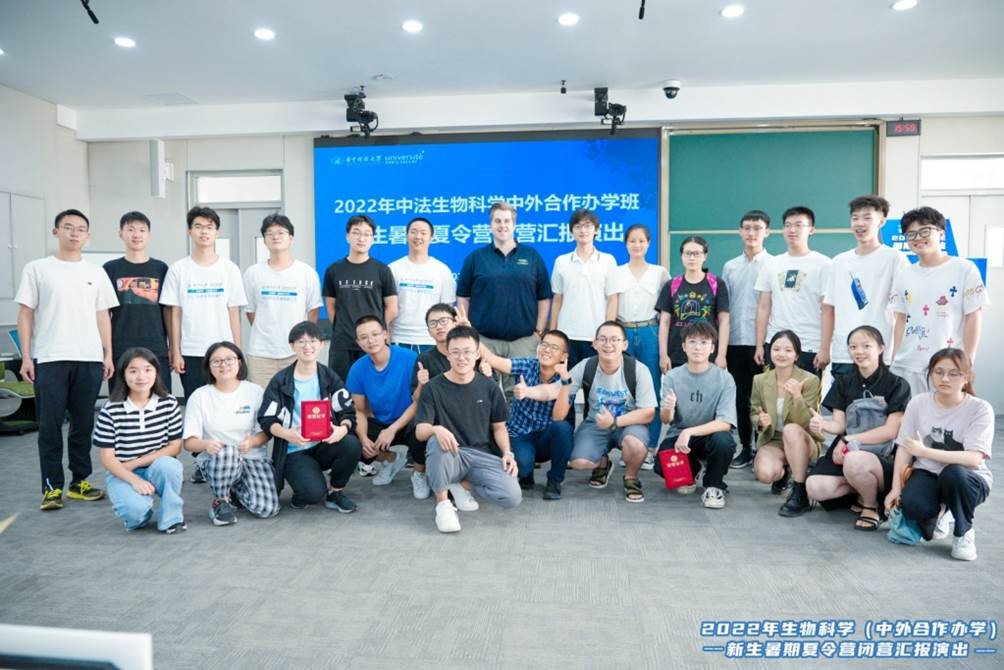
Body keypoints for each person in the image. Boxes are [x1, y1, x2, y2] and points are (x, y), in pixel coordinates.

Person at [16, 208, 119, 510]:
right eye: (68, 227)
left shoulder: (96, 272)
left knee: (83, 424)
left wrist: (108, 353)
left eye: (80, 229)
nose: (74, 233)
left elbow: (103, 315)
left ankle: (79, 482)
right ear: (56, 232)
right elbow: (25, 313)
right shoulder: (37, 269)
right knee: (49, 426)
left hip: (88, 358)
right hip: (50, 357)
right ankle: (51, 488)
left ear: (88, 236)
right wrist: (26, 356)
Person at [885, 349, 993, 561]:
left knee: (953, 474)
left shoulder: (980, 409)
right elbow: (905, 448)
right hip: (927, 473)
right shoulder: (918, 403)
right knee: (913, 505)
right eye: (938, 372)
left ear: (966, 377)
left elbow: (973, 458)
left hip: (967, 478)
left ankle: (963, 532)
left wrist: (924, 451)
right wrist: (896, 489)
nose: (944, 379)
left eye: (954, 373)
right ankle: (942, 511)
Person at [415, 325, 521, 533]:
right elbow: (420, 431)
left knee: (511, 496)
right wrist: (437, 429)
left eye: (467, 352)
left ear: (477, 354)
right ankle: (443, 505)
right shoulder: (433, 388)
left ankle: (461, 484)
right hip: (451, 453)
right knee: (436, 440)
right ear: (448, 355)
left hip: (481, 455)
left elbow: (499, 427)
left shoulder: (489, 386)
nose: (461, 358)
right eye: (455, 352)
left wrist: (508, 453)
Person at [806, 326, 911, 530]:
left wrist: (849, 440)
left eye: (866, 346)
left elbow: (890, 431)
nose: (859, 351)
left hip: (884, 453)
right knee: (815, 487)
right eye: (853, 347)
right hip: (850, 447)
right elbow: (840, 425)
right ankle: (862, 488)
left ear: (881, 348)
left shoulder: (897, 384)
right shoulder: (844, 382)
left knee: (854, 460)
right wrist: (823, 424)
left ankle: (871, 506)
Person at [259, 321, 362, 513]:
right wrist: (286, 434)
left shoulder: (329, 377)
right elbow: (267, 419)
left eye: (312, 341)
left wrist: (343, 428)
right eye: (301, 342)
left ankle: (335, 492)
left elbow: (347, 411)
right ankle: (303, 493)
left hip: (323, 444)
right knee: (312, 494)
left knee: (351, 444)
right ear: (292, 346)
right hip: (294, 450)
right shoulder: (281, 381)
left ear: (321, 344)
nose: (307, 346)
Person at [890, 207, 989, 397]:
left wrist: (968, 361)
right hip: (907, 364)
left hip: (947, 365)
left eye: (924, 231)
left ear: (941, 233)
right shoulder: (904, 274)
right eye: (911, 234)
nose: (917, 238)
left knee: (947, 413)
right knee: (908, 414)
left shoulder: (964, 269)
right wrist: (895, 357)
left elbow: (973, 316)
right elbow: (900, 319)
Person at [456, 201, 551, 392]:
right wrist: (470, 332)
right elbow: (463, 297)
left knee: (520, 395)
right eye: (497, 221)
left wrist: (539, 331)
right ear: (490, 225)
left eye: (507, 221)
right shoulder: (476, 258)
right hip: (484, 341)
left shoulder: (531, 256)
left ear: (514, 225)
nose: (502, 225)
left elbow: (544, 297)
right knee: (481, 393)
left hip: (524, 342)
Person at [182, 342, 279, 525]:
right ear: (209, 366)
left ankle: (235, 488)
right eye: (217, 361)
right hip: (219, 459)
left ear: (239, 362)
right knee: (227, 452)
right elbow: (189, 442)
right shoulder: (200, 396)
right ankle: (221, 501)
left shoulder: (255, 392)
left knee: (267, 509)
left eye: (229, 359)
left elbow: (266, 433)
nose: (223, 365)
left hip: (251, 456)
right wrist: (206, 444)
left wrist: (252, 442)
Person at [560, 321, 657, 504]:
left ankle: (631, 477)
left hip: (628, 424)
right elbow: (557, 390)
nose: (608, 344)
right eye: (602, 339)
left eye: (614, 339)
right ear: (594, 343)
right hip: (595, 424)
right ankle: (603, 463)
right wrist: (528, 391)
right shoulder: (586, 366)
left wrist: (614, 422)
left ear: (624, 344)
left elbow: (648, 413)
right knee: (578, 462)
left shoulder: (638, 369)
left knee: (634, 445)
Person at [160, 206, 247, 401]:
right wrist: (176, 351)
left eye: (209, 227)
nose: (204, 232)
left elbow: (234, 313)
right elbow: (175, 313)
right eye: (198, 227)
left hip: (223, 351)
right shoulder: (178, 269)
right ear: (190, 231)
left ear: (217, 232)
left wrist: (237, 352)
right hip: (191, 350)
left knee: (225, 401)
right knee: (195, 401)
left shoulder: (229, 269)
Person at [95, 348, 185, 533]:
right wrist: (134, 479)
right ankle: (140, 515)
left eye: (147, 369)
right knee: (135, 512)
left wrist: (136, 463)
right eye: (133, 371)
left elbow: (175, 447)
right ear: (123, 374)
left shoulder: (168, 403)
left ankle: (171, 519)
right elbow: (107, 458)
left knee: (170, 466)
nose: (141, 376)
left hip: (155, 467)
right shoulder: (111, 409)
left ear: (156, 372)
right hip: (122, 471)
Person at [479, 330, 574, 500]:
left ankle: (555, 480)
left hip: (546, 438)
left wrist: (565, 383)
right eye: (544, 344)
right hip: (520, 434)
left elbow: (558, 417)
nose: (547, 350)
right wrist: (469, 331)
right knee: (522, 466)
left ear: (563, 356)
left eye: (554, 347)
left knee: (563, 428)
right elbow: (493, 359)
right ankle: (526, 472)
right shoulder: (527, 365)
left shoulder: (567, 379)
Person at [821, 195, 908, 378]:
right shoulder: (839, 261)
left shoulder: (895, 258)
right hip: (845, 353)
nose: (860, 223)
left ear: (881, 221)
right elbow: (828, 309)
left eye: (867, 218)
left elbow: (902, 312)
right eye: (855, 218)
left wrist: (897, 354)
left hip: (880, 353)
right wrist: (824, 349)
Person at [656, 322, 738, 509]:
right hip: (680, 438)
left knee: (723, 442)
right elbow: (666, 420)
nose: (698, 347)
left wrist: (689, 432)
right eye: (692, 342)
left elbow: (725, 423)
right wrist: (668, 408)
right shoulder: (672, 376)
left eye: (704, 342)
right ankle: (693, 469)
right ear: (684, 346)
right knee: (662, 466)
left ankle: (714, 485)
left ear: (712, 348)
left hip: (711, 436)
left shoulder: (724, 379)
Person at [243, 213, 322, 388]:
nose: (275, 237)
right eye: (270, 233)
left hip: (296, 352)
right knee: (262, 400)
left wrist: (303, 341)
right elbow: (251, 311)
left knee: (297, 398)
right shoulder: (253, 273)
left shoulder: (306, 273)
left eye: (281, 232)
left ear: (291, 237)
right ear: (264, 240)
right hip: (261, 353)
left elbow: (313, 310)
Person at [749, 330, 823, 517]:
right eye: (776, 349)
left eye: (788, 350)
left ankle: (799, 490)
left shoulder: (810, 380)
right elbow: (754, 412)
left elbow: (804, 421)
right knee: (765, 474)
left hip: (803, 437)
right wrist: (760, 421)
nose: (781, 354)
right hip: (775, 439)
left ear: (797, 355)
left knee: (791, 429)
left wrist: (797, 396)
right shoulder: (760, 380)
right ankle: (785, 472)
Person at [613, 224, 669, 460]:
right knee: (623, 388)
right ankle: (627, 444)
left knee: (651, 388)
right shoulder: (617, 272)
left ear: (649, 243)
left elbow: (666, 311)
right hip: (623, 331)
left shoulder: (659, 272)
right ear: (626, 244)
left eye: (641, 241)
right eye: (632, 241)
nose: (637, 245)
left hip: (650, 332)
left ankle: (651, 446)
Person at [754, 206, 832, 375]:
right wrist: (759, 345)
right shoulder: (771, 264)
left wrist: (825, 349)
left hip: (809, 345)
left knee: (805, 392)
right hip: (775, 344)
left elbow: (828, 310)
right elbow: (763, 307)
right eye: (788, 225)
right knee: (773, 391)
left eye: (798, 225)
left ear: (811, 229)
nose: (792, 230)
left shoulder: (824, 264)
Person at [346, 316, 421, 492]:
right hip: (380, 422)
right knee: (350, 440)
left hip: (409, 419)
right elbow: (359, 410)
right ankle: (391, 459)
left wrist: (392, 429)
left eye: (375, 334)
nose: (370, 340)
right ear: (358, 342)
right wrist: (363, 439)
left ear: (386, 335)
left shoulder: (410, 358)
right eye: (364, 337)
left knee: (424, 430)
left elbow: (419, 401)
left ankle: (420, 474)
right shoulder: (357, 369)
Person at [722, 210, 772, 469]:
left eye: (757, 228)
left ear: (767, 232)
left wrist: (762, 343)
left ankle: (765, 449)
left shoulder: (774, 264)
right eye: (747, 228)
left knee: (765, 400)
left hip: (763, 343)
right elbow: (725, 307)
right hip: (735, 342)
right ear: (740, 232)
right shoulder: (730, 266)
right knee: (741, 398)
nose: (752, 233)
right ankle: (746, 448)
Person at [321, 214, 398, 380]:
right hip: (342, 344)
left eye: (367, 234)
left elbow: (392, 307)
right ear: (347, 236)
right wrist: (345, 328)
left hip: (373, 343)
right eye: (356, 233)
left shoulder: (382, 270)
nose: (361, 238)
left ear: (373, 239)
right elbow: (330, 307)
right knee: (341, 389)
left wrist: (377, 332)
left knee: (374, 387)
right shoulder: (334, 270)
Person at [103, 210, 171, 395]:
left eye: (142, 230)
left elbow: (168, 311)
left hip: (156, 348)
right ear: (120, 234)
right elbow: (104, 314)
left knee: (161, 399)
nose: (136, 234)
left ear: (149, 235)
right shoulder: (110, 269)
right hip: (120, 348)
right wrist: (107, 352)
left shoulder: (161, 268)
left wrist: (172, 348)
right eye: (131, 229)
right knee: (120, 400)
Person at [549, 208, 619, 368]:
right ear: (571, 232)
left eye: (587, 226)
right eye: (578, 226)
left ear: (596, 230)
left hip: (596, 337)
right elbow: (557, 300)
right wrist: (553, 334)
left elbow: (613, 299)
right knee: (566, 380)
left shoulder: (608, 261)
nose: (583, 230)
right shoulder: (561, 262)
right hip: (566, 336)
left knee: (595, 380)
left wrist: (607, 334)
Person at [657, 235, 731, 373]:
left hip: (708, 354)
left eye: (696, 253)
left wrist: (721, 355)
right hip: (677, 353)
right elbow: (664, 322)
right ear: (682, 256)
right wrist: (663, 355)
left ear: (705, 256)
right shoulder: (672, 285)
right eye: (688, 253)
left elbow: (724, 321)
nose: (692, 258)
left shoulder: (716, 284)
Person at [388, 217, 456, 353]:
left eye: (423, 233)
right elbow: (386, 307)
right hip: (399, 338)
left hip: (431, 340)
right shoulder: (393, 269)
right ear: (407, 236)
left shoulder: (442, 270)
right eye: (413, 232)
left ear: (431, 238)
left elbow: (447, 309)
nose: (418, 236)